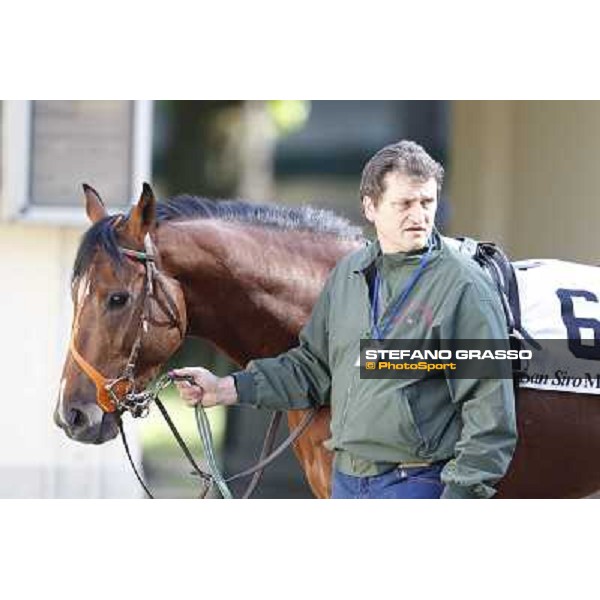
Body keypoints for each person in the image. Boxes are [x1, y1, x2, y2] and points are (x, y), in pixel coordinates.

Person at [172, 140, 518, 499]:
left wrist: (461, 498)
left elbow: (491, 415)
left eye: (426, 202)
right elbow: (312, 368)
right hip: (347, 480)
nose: (419, 216)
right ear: (370, 207)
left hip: (417, 483)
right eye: (404, 204)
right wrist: (224, 388)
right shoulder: (348, 274)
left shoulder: (465, 286)